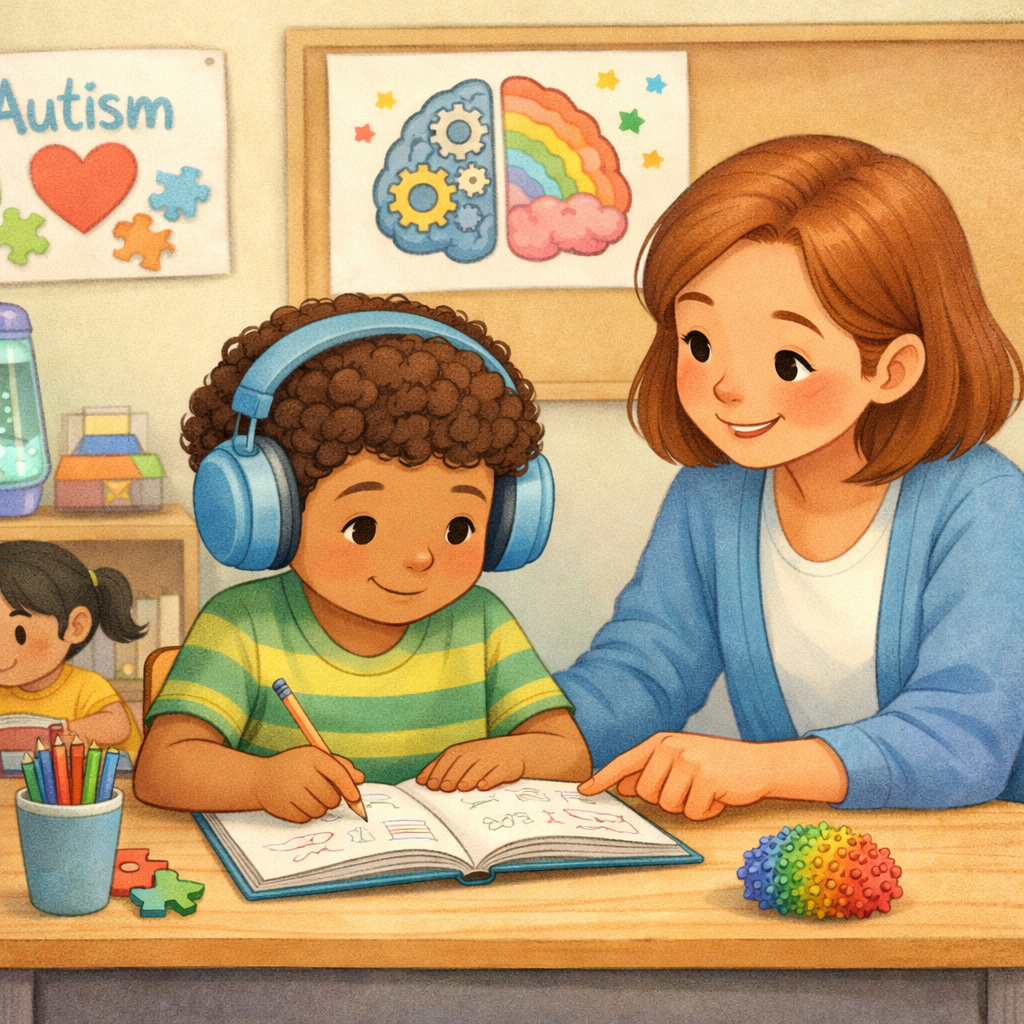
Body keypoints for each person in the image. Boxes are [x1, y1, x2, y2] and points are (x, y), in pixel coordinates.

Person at [556, 134, 1024, 819]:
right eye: (700, 343)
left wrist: (761, 766)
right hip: (793, 850)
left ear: (890, 369)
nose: (728, 389)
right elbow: (645, 667)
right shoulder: (711, 495)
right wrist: (536, 739)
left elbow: (964, 737)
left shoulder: (982, 504)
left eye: (788, 362)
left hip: (973, 852)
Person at [135, 293, 590, 823]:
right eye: (363, 528)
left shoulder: (482, 623)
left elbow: (570, 753)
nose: (421, 557)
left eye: (458, 527)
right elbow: (161, 768)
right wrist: (262, 780)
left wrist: (516, 753)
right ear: (271, 516)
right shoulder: (242, 625)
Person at [0, 541, 145, 757]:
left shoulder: (86, 686)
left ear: (76, 626)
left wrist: (63, 734)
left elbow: (118, 725)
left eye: (19, 634)